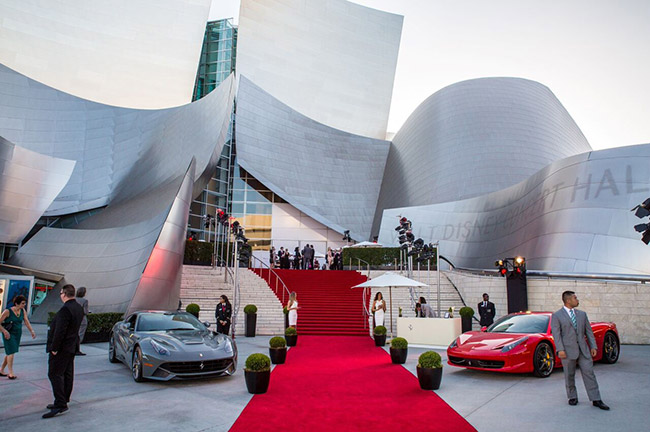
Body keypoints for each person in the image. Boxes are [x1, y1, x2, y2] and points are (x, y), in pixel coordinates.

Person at [550, 290, 609, 410]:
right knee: (569, 375)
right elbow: (556, 334)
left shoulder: (582, 314)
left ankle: (596, 399)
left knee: (589, 373)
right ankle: (572, 397)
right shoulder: (557, 316)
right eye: (575, 298)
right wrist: (560, 349)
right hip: (567, 350)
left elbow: (589, 332)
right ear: (568, 300)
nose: (577, 300)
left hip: (584, 349)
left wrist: (593, 346)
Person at [43, 284, 84, 418]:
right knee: (67, 374)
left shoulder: (66, 310)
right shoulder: (78, 307)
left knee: (54, 374)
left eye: (61, 293)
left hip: (61, 349)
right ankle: (63, 399)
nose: (60, 295)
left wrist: (54, 348)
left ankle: (61, 403)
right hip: (71, 347)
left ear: (65, 294)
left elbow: (60, 331)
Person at [1, 295, 36, 379]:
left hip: (17, 333)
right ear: (16, 303)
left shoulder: (22, 310)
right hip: (8, 334)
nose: (24, 305)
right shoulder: (7, 311)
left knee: (10, 352)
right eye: (22, 303)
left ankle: (1, 369)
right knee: (11, 352)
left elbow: (26, 321)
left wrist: (32, 331)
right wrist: (4, 331)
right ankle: (11, 373)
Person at [75, 287, 89, 356]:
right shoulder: (84, 301)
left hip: (74, 319)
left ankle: (74, 348)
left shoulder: (74, 300)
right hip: (82, 320)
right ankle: (77, 349)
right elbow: (85, 312)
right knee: (80, 335)